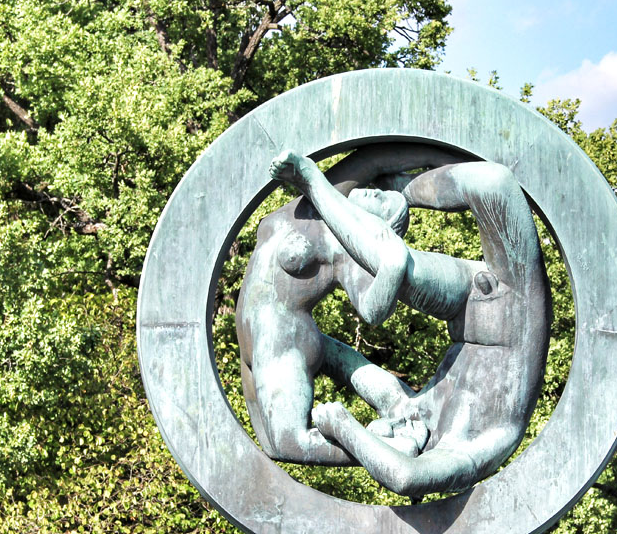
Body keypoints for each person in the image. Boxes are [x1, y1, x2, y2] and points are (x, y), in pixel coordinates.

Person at [268, 150, 551, 500]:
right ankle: (353, 186)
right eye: (392, 436)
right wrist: (343, 426)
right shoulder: (478, 446)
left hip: (476, 309)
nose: (391, 429)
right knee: (493, 185)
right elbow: (407, 478)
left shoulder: (417, 419)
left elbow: (356, 371)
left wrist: (293, 336)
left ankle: (317, 183)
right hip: (508, 306)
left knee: (396, 271)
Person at [236, 145, 457, 465]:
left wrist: (393, 264)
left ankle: (388, 447)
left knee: (288, 444)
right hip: (251, 338)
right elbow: (374, 158)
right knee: (271, 447)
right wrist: (455, 163)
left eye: (380, 201)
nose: (372, 194)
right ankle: (401, 408)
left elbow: (373, 310)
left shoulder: (346, 253)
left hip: (283, 338)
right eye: (378, 191)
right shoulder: (322, 195)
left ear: (373, 227)